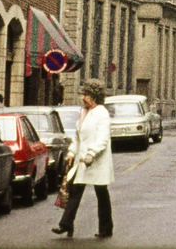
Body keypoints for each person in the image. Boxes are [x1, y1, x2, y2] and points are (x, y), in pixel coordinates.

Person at [53, 81, 113, 239]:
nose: (82, 98)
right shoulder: (84, 112)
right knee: (74, 191)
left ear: (94, 97)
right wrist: (72, 151)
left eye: (85, 95)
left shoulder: (102, 113)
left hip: (97, 161)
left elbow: (103, 138)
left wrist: (92, 153)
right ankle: (65, 224)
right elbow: (78, 137)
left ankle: (106, 227)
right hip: (81, 161)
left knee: (101, 193)